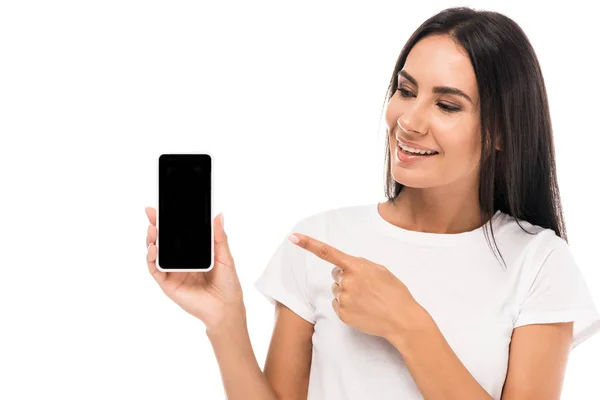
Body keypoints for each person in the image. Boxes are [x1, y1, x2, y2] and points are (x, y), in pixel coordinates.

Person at [144, 6, 600, 400]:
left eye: (447, 105)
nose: (409, 120)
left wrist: (408, 325)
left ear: (501, 131)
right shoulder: (319, 242)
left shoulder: (539, 262)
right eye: (406, 90)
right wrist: (224, 320)